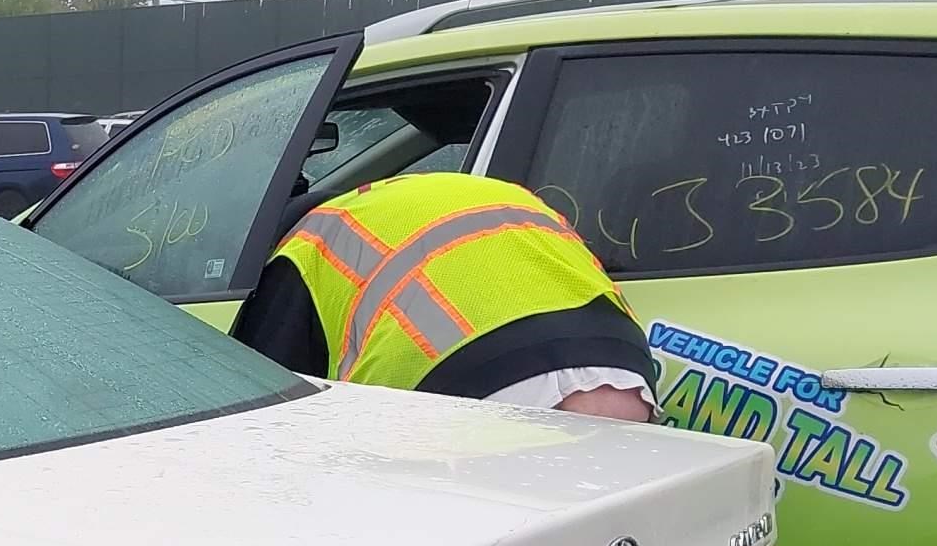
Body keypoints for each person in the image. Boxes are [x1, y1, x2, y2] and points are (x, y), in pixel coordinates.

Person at [228, 173, 655, 419]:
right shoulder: (443, 195)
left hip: (482, 387)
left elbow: (270, 414)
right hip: (621, 365)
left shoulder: (302, 250)